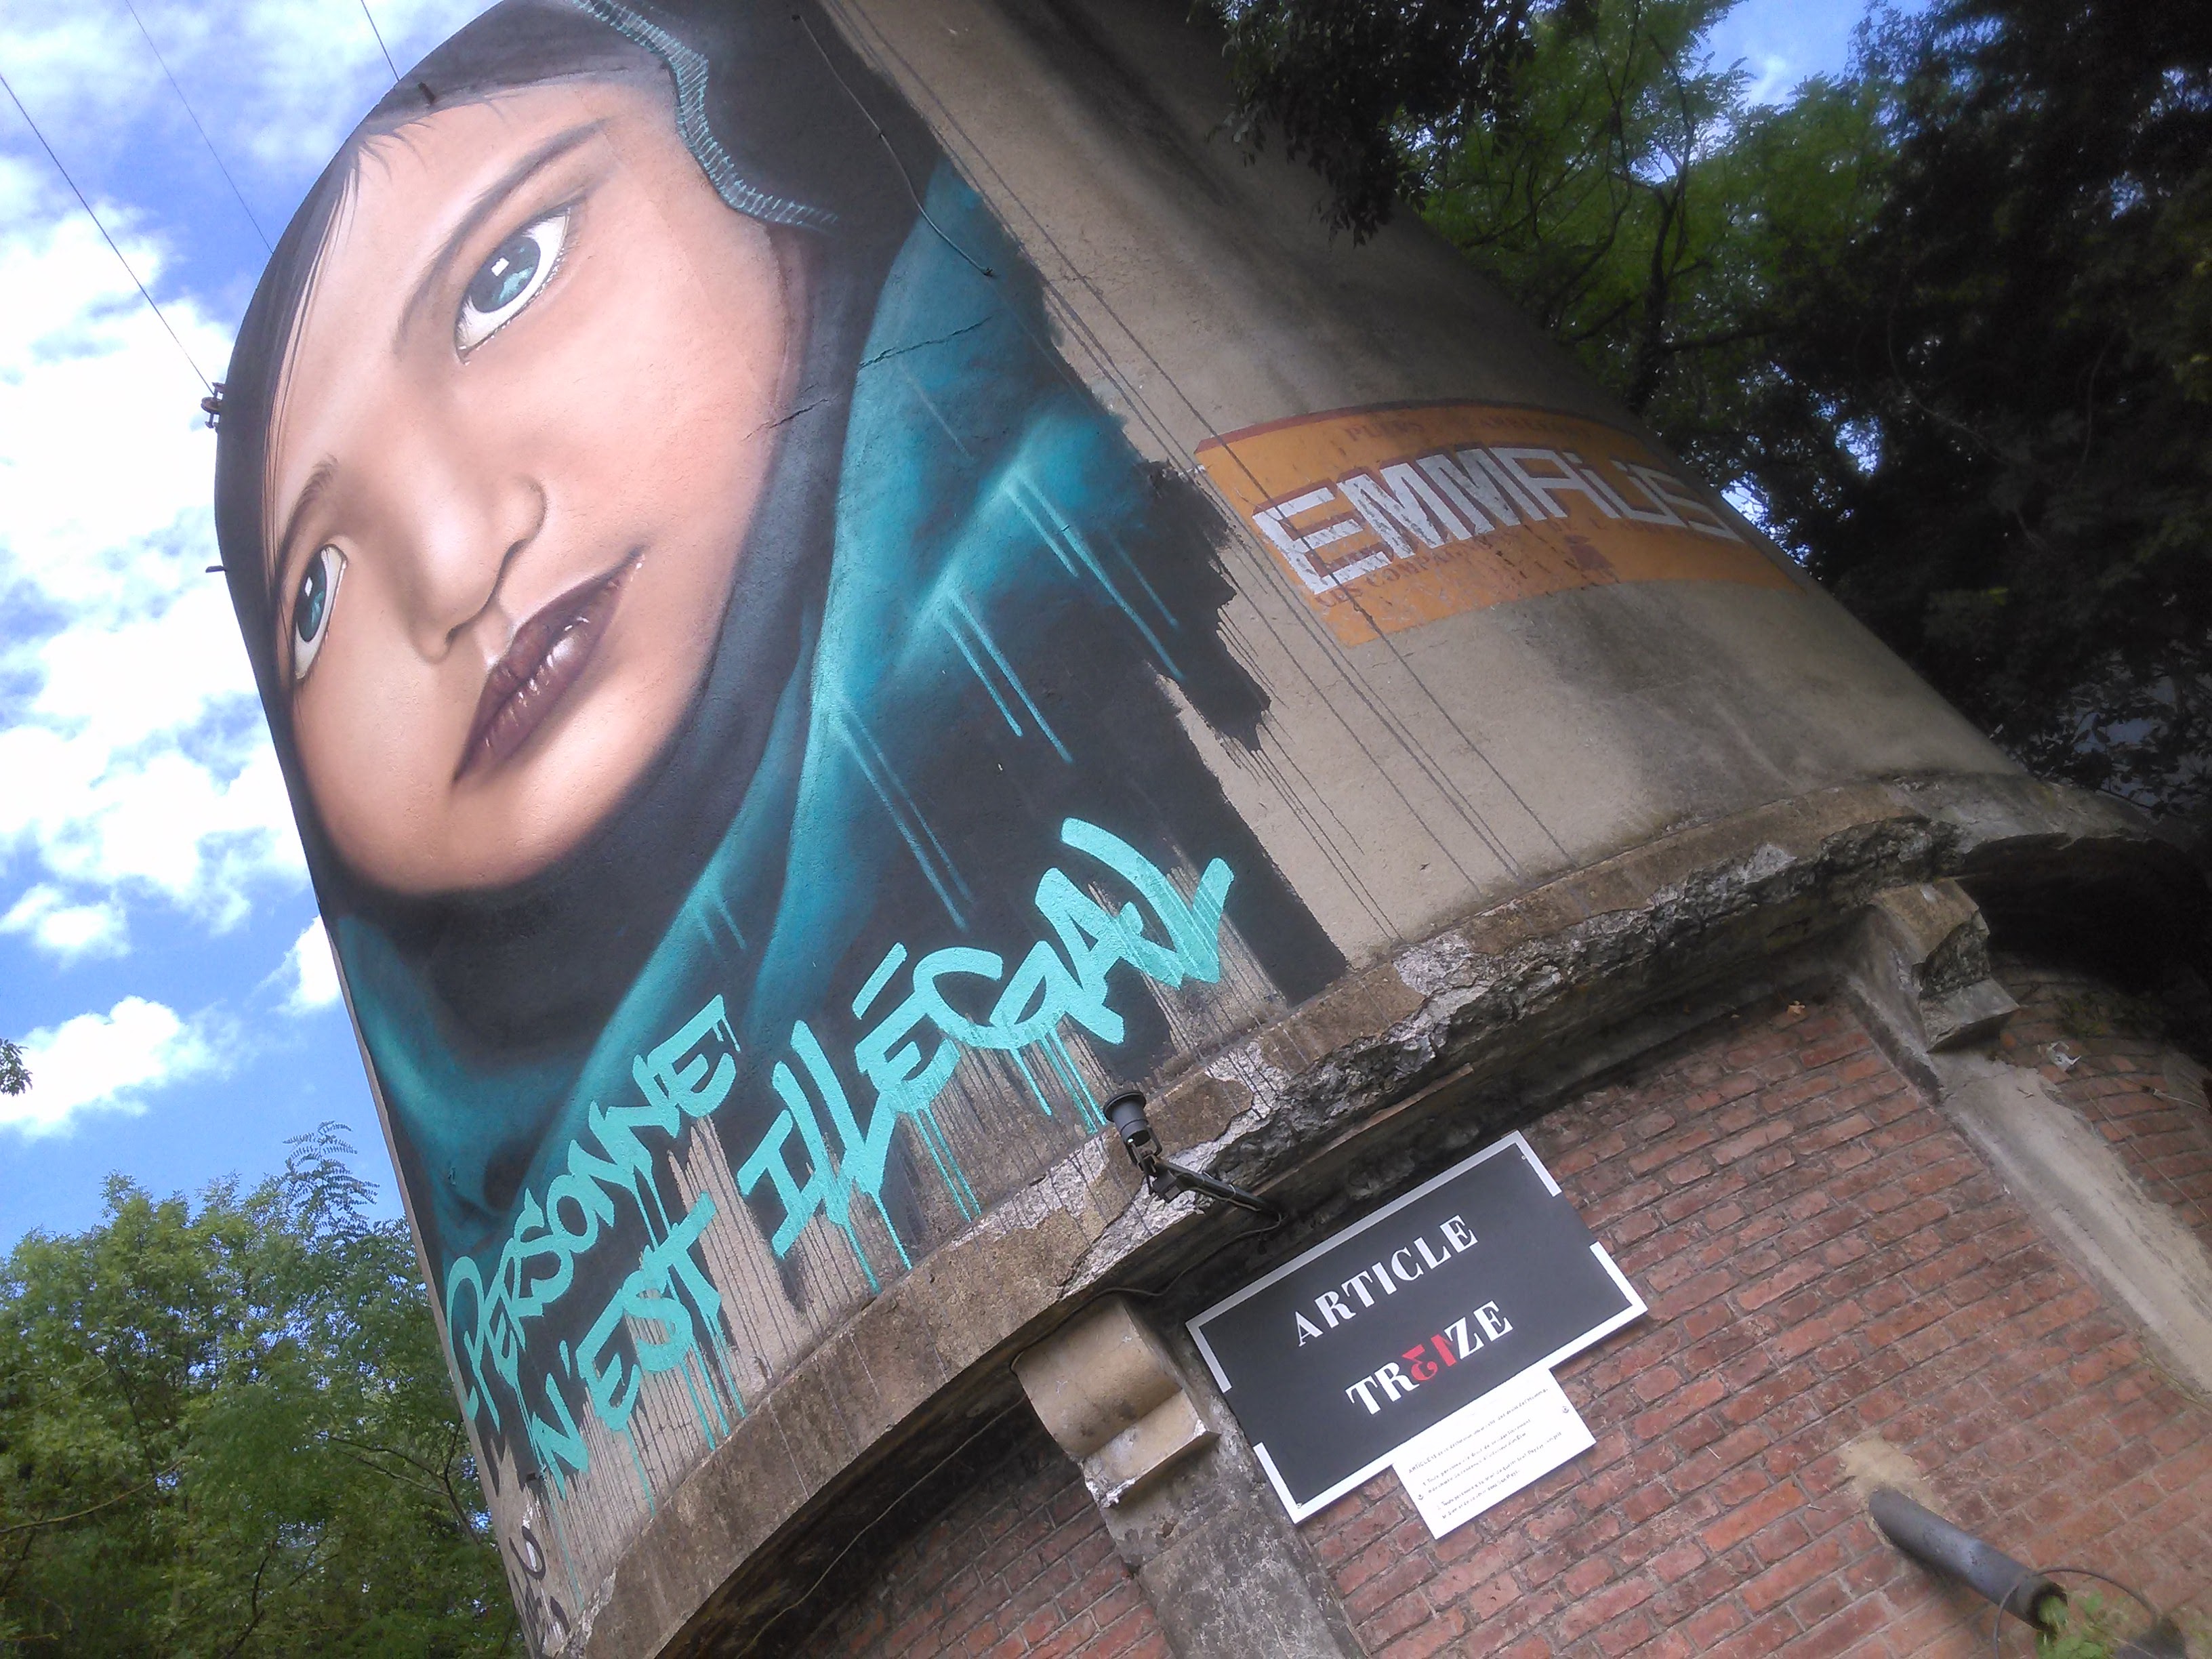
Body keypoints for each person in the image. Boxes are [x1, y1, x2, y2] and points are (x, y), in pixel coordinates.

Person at [215, 0, 1337, 1474]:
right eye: (313, 594)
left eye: (506, 275)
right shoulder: (513, 1257)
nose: (455, 565)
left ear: (775, 158)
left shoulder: (1112, 547)